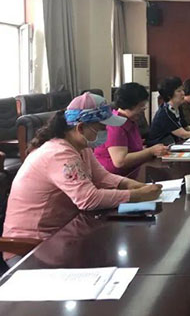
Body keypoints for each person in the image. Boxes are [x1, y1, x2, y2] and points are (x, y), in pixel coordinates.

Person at [2, 93, 162, 267]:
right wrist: (137, 195)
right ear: (80, 128)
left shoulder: (80, 147)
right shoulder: (58, 154)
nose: (106, 133)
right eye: (101, 128)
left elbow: (103, 177)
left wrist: (133, 185)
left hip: (61, 236)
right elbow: (88, 199)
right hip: (31, 248)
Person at [94, 83, 169, 175]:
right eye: (141, 106)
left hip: (131, 172)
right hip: (114, 177)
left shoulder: (130, 121)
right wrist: (151, 151)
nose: (144, 109)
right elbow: (120, 161)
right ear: (129, 105)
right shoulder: (115, 125)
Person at [147, 76, 190, 146]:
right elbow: (183, 134)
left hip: (172, 144)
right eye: (179, 91)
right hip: (159, 147)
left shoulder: (178, 107)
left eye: (182, 90)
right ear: (169, 95)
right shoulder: (165, 113)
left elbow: (186, 128)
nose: (183, 93)